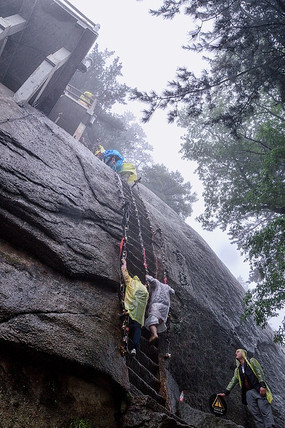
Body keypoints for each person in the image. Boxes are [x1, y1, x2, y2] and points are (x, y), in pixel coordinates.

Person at [218, 348, 275, 428]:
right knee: (255, 414)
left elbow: (259, 372)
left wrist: (262, 386)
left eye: (238, 351)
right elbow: (233, 381)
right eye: (235, 352)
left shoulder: (252, 362)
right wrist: (226, 392)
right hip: (248, 393)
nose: (236, 353)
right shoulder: (237, 370)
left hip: (258, 390)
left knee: (264, 410)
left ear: (243, 353)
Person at [121, 258, 149, 356]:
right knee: (137, 329)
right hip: (140, 314)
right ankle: (134, 348)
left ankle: (126, 333)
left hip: (131, 309)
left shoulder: (132, 282)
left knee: (128, 322)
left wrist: (124, 264)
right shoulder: (145, 290)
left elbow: (125, 275)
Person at [144, 275, 175, 343]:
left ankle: (154, 334)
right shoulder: (167, 287)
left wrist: (146, 276)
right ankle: (154, 334)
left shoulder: (157, 283)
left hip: (157, 303)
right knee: (159, 320)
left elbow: (150, 279)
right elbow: (172, 291)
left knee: (152, 319)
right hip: (165, 307)